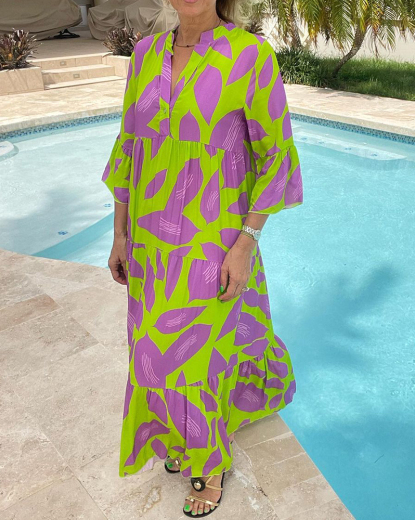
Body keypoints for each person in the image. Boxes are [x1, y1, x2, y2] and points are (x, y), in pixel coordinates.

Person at [101, 0, 304, 516]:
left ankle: (209, 461)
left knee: (198, 354)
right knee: (152, 347)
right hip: (150, 240)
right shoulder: (145, 54)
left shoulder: (250, 54)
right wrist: (120, 233)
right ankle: (178, 434)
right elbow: (128, 148)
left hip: (211, 239)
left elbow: (276, 155)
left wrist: (245, 242)